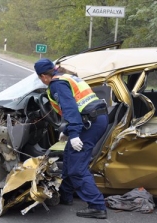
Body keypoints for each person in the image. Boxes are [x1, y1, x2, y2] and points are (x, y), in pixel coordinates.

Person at [34, 58, 108, 219]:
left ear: (43, 76)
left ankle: (97, 206)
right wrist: (68, 130)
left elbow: (70, 109)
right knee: (69, 156)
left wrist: (73, 134)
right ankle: (65, 196)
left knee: (76, 168)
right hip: (93, 119)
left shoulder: (56, 84)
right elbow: (81, 106)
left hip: (90, 123)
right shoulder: (66, 77)